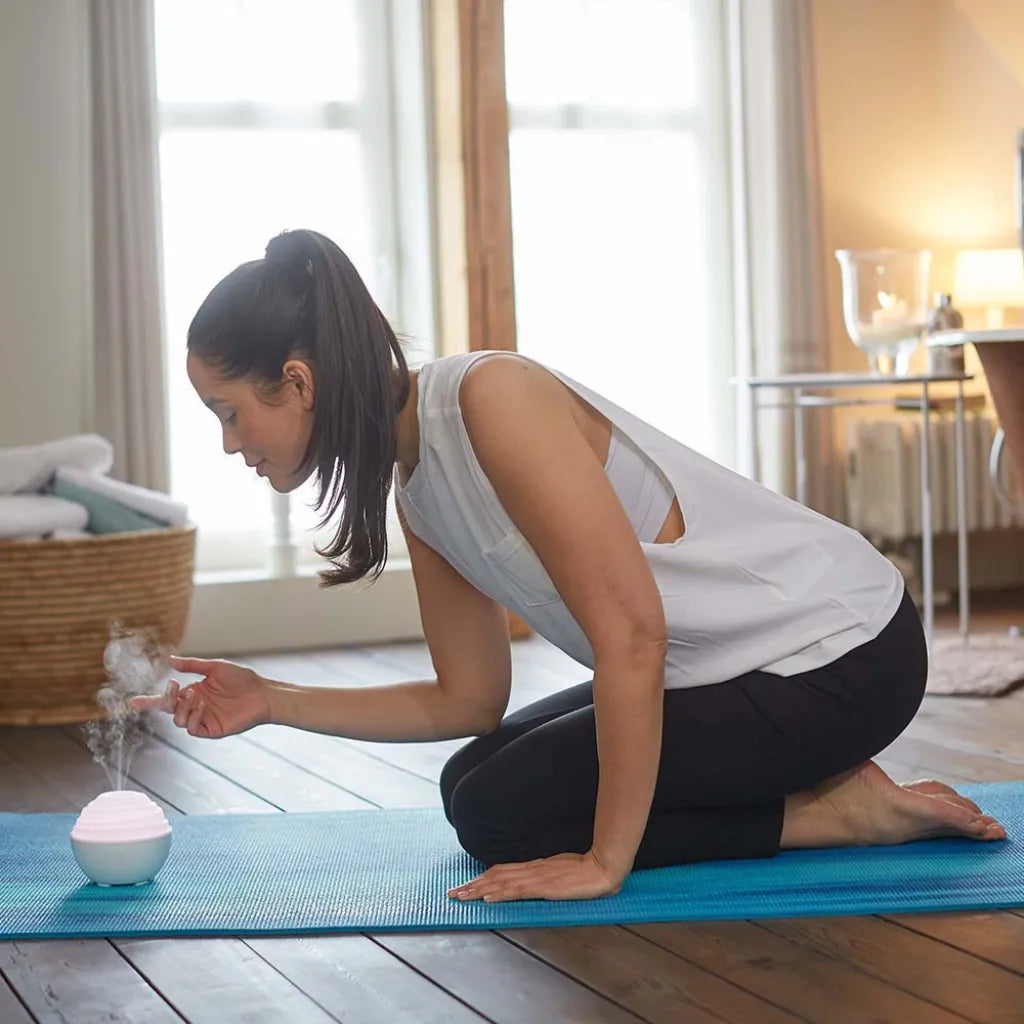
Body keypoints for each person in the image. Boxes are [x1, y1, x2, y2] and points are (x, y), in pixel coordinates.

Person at [131, 228, 1007, 904]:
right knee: (471, 785)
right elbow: (465, 700)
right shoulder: (418, 485)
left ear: (298, 380)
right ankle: (822, 798)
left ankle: (830, 815)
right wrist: (273, 701)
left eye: (230, 411)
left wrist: (605, 861)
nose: (227, 442)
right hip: (741, 666)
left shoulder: (489, 396)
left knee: (502, 812)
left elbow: (632, 634)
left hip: (842, 654)